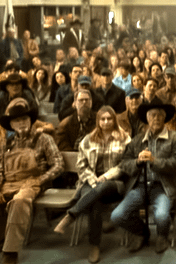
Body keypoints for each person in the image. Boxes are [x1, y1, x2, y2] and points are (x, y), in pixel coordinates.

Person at [0, 102, 64, 264]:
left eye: (24, 119)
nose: (21, 123)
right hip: (6, 183)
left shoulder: (43, 139)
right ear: (11, 125)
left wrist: (40, 180)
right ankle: (4, 232)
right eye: (17, 120)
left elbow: (59, 165)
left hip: (31, 183)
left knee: (19, 201)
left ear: (30, 120)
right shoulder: (5, 143)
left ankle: (10, 252)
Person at [53, 106, 131, 263]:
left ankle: (71, 215)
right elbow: (81, 166)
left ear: (114, 120)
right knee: (94, 201)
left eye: (109, 119)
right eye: (103, 119)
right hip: (91, 181)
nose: (106, 122)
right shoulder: (88, 140)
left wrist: (106, 176)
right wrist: (92, 178)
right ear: (98, 121)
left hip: (114, 184)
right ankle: (94, 246)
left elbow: (125, 165)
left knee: (102, 188)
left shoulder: (125, 139)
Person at [111, 103, 176, 254]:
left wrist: (154, 161)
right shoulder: (138, 139)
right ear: (147, 118)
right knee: (117, 215)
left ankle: (162, 236)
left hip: (164, 187)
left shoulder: (175, 138)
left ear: (164, 118)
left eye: (159, 115)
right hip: (140, 186)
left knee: (161, 216)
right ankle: (142, 232)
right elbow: (124, 163)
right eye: (152, 115)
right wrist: (137, 162)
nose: (156, 118)